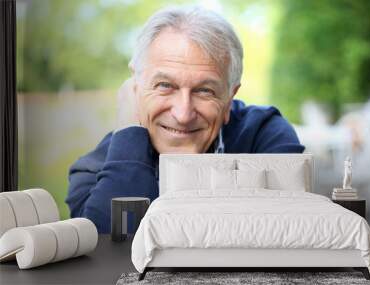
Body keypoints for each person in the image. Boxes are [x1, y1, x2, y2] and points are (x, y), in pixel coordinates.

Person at [66, 6, 305, 233]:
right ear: (136, 86)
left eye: (205, 91)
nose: (183, 114)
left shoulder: (264, 135)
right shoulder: (94, 170)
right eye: (164, 86)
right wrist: (129, 130)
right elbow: (111, 254)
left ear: (230, 97)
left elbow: (289, 232)